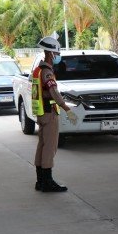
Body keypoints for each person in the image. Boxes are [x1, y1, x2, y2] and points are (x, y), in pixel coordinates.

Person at [32, 35, 78, 192]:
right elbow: (53, 91)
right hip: (49, 113)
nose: (58, 57)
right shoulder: (47, 72)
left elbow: (44, 92)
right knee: (50, 148)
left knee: (42, 146)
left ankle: (40, 180)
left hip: (41, 112)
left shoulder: (38, 70)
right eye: (57, 54)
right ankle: (47, 181)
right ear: (51, 54)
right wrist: (67, 108)